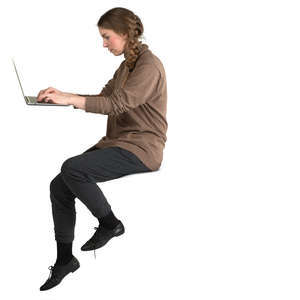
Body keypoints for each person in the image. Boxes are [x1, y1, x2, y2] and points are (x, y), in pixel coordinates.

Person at [37, 7, 168, 291]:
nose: (104, 44)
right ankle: (64, 261)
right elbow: (105, 98)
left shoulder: (149, 66)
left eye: (107, 37)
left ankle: (110, 224)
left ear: (124, 34)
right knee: (59, 186)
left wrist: (70, 99)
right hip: (120, 142)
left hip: (142, 147)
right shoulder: (127, 65)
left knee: (72, 168)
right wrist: (60, 96)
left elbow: (118, 105)